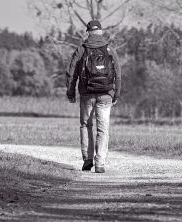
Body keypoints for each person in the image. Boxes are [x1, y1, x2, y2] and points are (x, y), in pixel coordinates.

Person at [66, 20, 121, 173]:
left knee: (86, 125)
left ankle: (87, 159)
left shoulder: (81, 49)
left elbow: (71, 72)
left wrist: (71, 92)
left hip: (86, 94)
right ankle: (100, 163)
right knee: (103, 128)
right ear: (101, 32)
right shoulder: (110, 49)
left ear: (88, 32)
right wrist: (116, 93)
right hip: (106, 94)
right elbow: (118, 73)